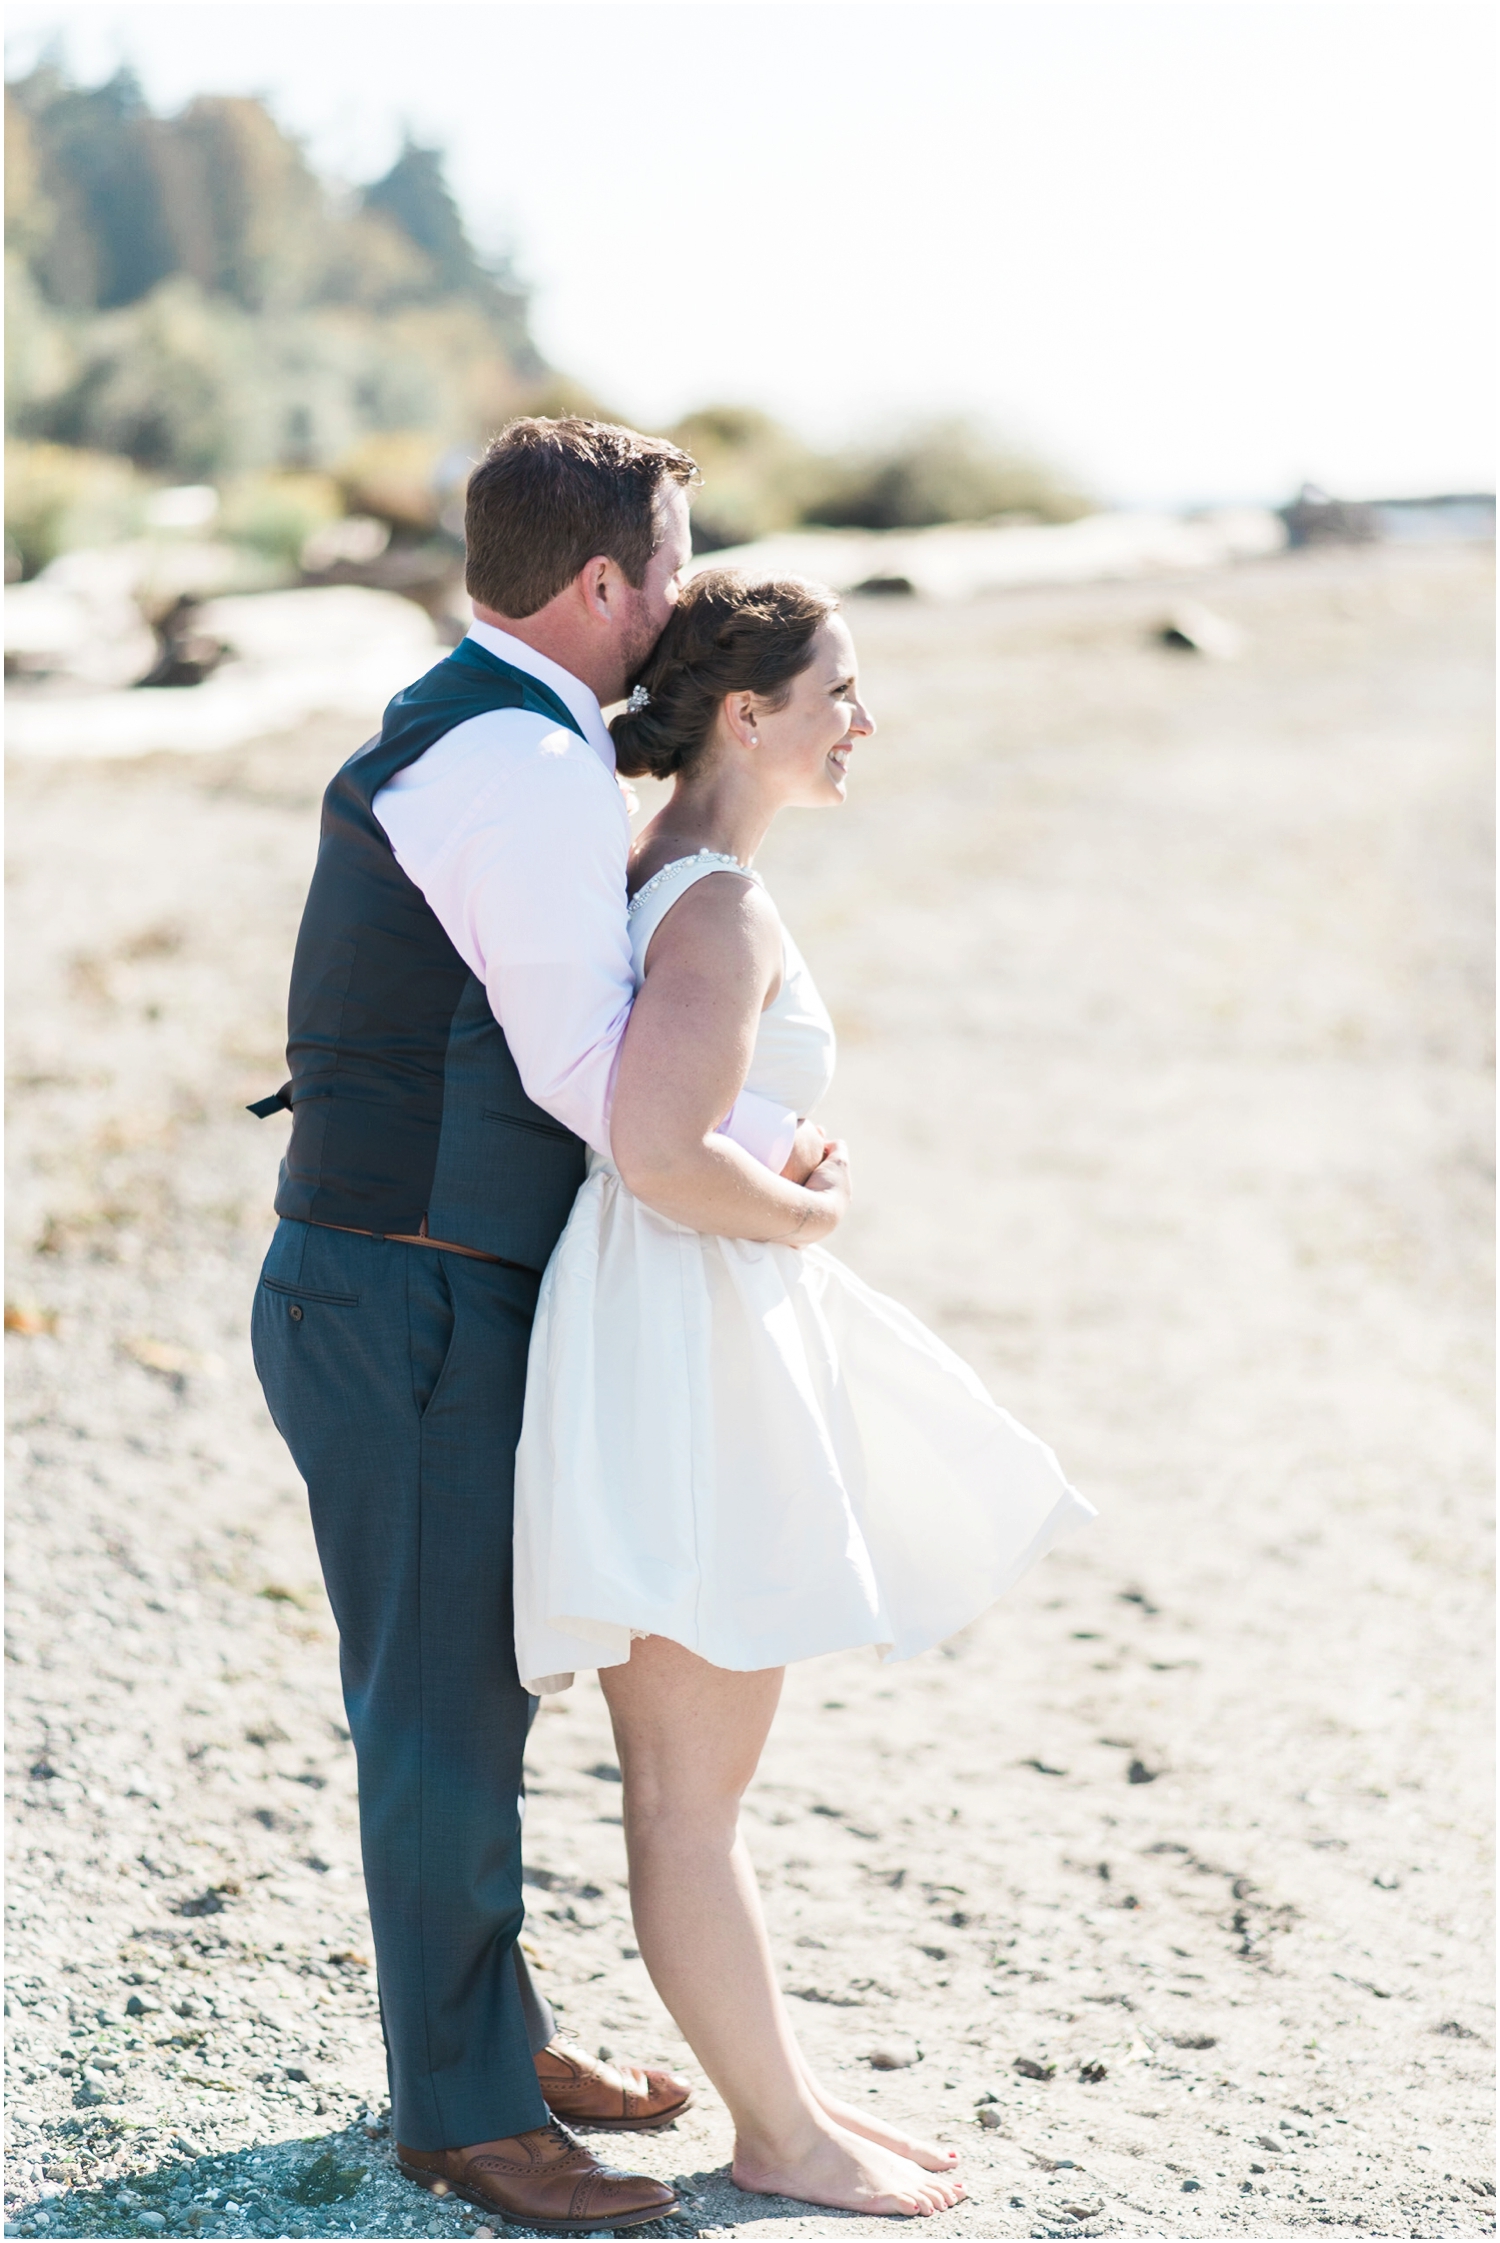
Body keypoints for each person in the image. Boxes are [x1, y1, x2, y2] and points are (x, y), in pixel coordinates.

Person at [249, 421, 845, 2234]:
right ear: (600, 584)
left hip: (418, 1277)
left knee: (471, 1691)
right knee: (435, 1703)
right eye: (664, 573)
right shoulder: (512, 758)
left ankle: (484, 2044)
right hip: (403, 1283)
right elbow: (596, 1077)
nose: (676, 607)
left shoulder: (504, 730)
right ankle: (460, 2117)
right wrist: (774, 1166)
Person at [513, 570, 1095, 2219]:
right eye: (840, 687)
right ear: (746, 715)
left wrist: (766, 1157)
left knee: (703, 1786)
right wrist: (809, 1205)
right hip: (686, 1348)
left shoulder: (676, 883)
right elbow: (655, 1151)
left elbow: (673, 1120)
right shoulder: (715, 906)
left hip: (676, 1330)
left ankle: (790, 2093)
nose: (864, 717)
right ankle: (778, 2139)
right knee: (692, 1796)